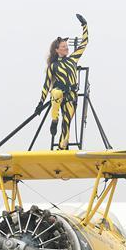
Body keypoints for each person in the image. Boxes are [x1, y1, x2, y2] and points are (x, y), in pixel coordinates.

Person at [37, 14, 89, 150]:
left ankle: (62, 147)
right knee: (55, 92)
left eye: (66, 46)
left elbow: (84, 43)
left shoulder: (73, 60)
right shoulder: (53, 66)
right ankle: (54, 119)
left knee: (66, 124)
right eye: (63, 46)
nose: (66, 48)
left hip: (71, 96)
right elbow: (46, 85)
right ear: (57, 49)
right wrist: (40, 103)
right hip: (59, 96)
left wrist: (84, 26)